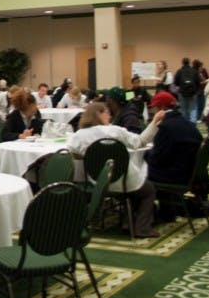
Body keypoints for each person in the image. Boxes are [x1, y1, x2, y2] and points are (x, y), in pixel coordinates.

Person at [68, 101, 165, 237]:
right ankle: (142, 227)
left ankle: (127, 222)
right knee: (148, 190)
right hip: (124, 180)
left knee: (134, 190)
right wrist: (154, 122)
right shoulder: (115, 131)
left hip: (98, 182)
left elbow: (71, 153)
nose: (110, 115)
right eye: (107, 112)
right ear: (98, 114)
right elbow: (140, 141)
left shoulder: (78, 135)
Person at [145, 92, 205, 221]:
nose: (151, 112)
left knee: (138, 174)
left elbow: (157, 160)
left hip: (175, 177)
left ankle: (143, 216)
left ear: (160, 109)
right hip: (190, 175)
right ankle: (167, 210)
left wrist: (146, 154)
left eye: (153, 108)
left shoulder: (165, 127)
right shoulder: (189, 124)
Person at [174, 57, 199, 123]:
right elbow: (198, 82)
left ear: (182, 63)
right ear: (189, 62)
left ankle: (184, 123)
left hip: (182, 92)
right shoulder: (194, 71)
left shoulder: (179, 71)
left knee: (183, 109)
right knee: (193, 108)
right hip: (192, 93)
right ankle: (193, 123)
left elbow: (176, 82)